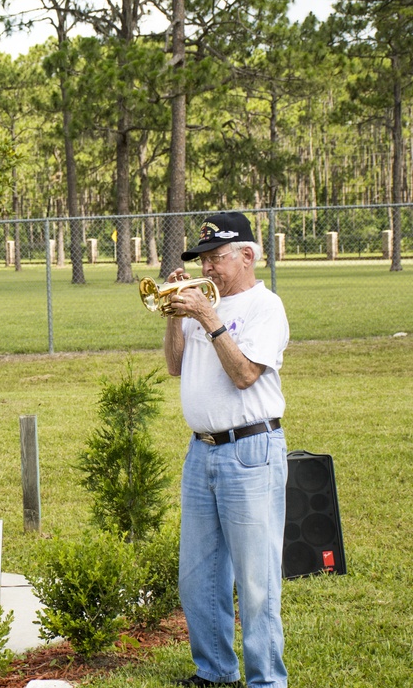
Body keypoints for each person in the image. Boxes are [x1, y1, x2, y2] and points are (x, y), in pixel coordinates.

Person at [163, 211, 290, 688]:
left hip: (250, 452)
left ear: (248, 255)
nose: (208, 268)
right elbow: (176, 367)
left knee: (256, 583)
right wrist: (176, 315)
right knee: (199, 577)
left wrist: (208, 317)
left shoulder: (265, 307)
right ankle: (215, 673)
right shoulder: (203, 305)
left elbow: (243, 376)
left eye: (217, 258)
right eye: (204, 259)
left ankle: (265, 681)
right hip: (202, 453)